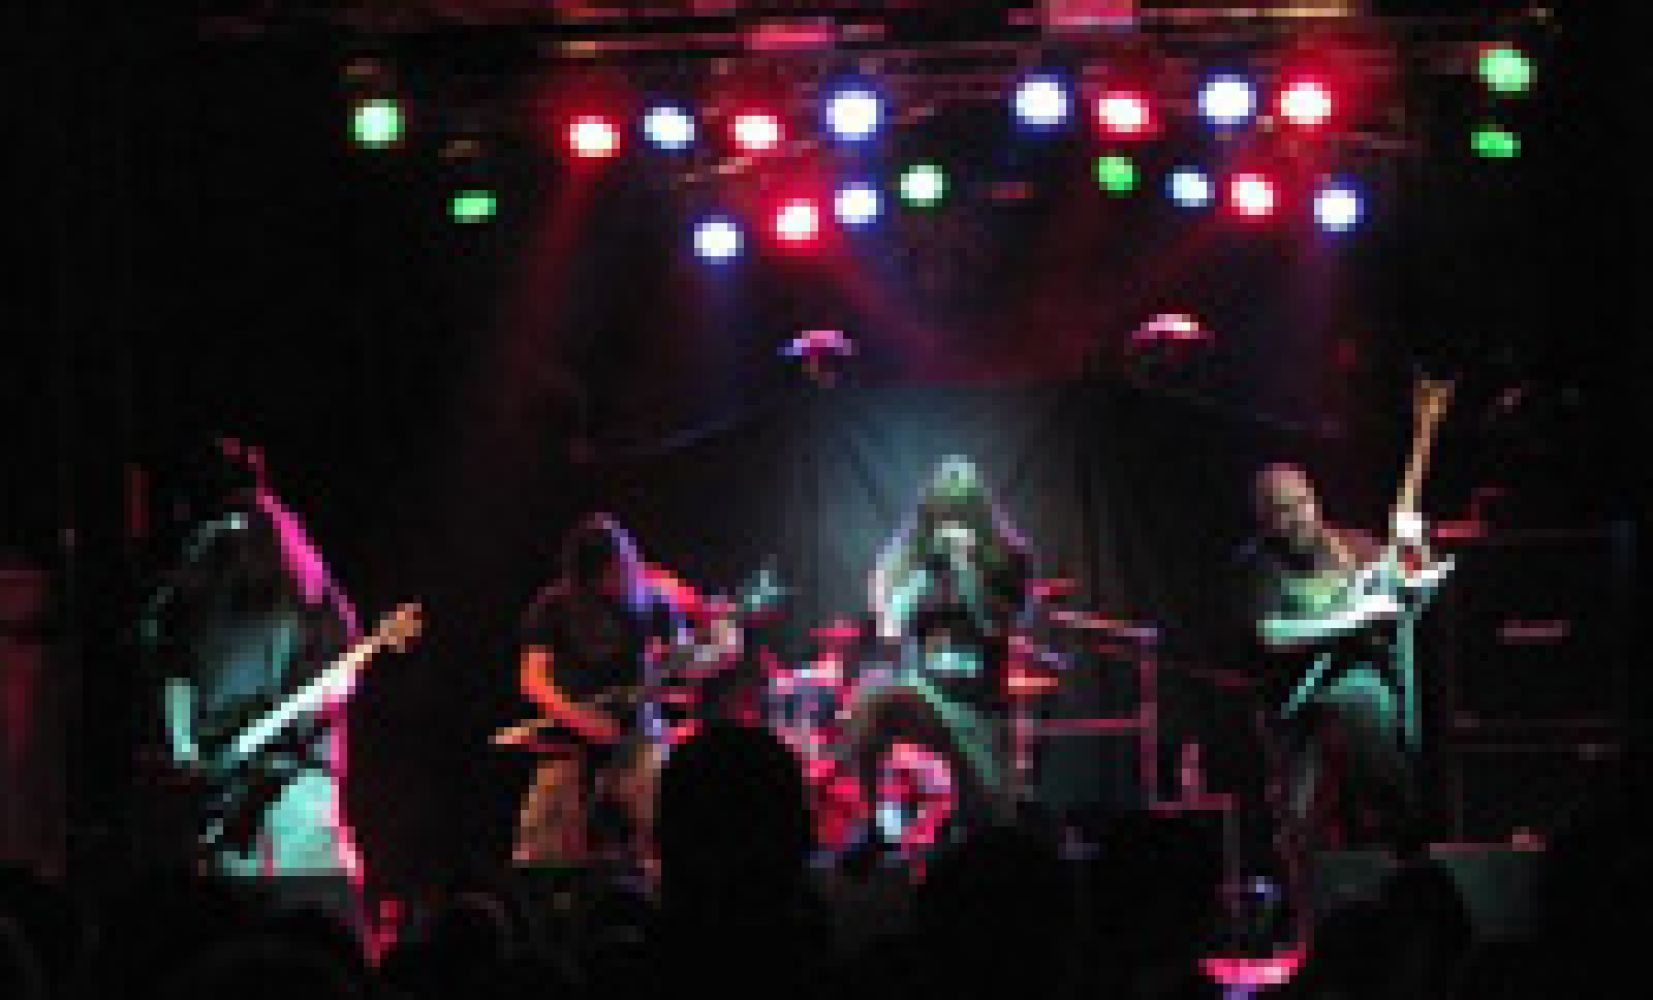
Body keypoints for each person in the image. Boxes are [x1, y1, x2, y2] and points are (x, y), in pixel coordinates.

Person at [139, 438, 363, 882]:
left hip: (243, 807)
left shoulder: (210, 556)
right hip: (303, 807)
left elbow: (172, 658)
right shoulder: (301, 560)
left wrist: (186, 753)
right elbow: (345, 660)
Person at [1241, 463, 1445, 917]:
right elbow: (1271, 634)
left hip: (1366, 693)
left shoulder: (1354, 546)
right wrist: (1353, 617)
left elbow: (1411, 596)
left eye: (1301, 503)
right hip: (1298, 703)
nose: (1296, 517)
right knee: (1301, 821)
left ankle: (1396, 862)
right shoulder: (1260, 565)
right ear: (1263, 520)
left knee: (1368, 707)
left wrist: (1418, 547)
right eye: (1281, 510)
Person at [844, 456, 1032, 854]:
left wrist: (966, 570)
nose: (951, 525)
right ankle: (876, 823)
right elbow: (890, 628)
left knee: (991, 824)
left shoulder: (1007, 558)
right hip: (924, 692)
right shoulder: (910, 557)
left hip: (979, 703)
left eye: (961, 514)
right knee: (871, 699)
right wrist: (923, 575)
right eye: (943, 514)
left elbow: (994, 625)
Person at [511, 514, 684, 868]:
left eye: (626, 565)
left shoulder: (655, 601)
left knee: (670, 820)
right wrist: (583, 721)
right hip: (569, 738)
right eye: (613, 571)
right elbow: (532, 680)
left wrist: (708, 656)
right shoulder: (553, 607)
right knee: (540, 848)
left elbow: (682, 666)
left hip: (637, 735)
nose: (624, 576)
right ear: (589, 576)